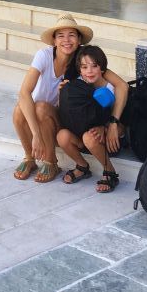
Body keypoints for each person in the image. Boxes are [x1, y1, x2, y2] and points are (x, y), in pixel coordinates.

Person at [12, 13, 93, 184]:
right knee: (20, 108)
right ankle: (29, 158)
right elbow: (24, 92)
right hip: (39, 120)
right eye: (61, 36)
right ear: (54, 41)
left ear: (79, 40)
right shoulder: (44, 55)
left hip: (62, 123)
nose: (66, 40)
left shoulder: (82, 63)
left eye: (72, 35)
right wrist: (36, 135)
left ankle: (51, 161)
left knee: (41, 107)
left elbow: (98, 87)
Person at [56, 44, 129, 193]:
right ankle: (82, 166)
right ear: (79, 70)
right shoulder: (78, 85)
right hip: (83, 135)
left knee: (89, 137)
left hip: (108, 139)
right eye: (84, 67)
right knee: (62, 136)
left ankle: (110, 172)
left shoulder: (111, 88)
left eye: (94, 66)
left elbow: (124, 124)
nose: (89, 71)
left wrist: (108, 127)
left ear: (102, 68)